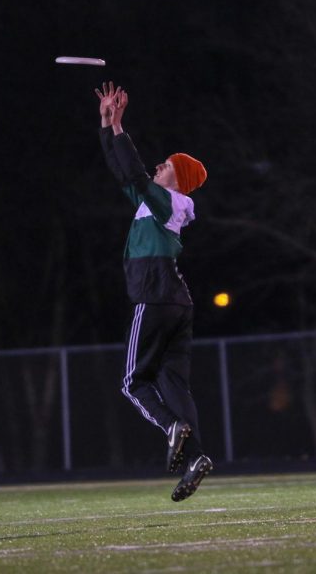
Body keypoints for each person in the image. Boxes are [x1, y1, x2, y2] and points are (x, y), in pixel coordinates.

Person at [94, 81, 212, 501]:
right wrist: (109, 124)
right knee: (173, 384)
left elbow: (134, 172)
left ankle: (171, 428)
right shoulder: (160, 203)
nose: (158, 167)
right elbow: (122, 171)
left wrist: (121, 127)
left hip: (156, 293)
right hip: (179, 301)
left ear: (176, 177)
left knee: (131, 382)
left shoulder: (168, 201)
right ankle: (195, 456)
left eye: (165, 164)